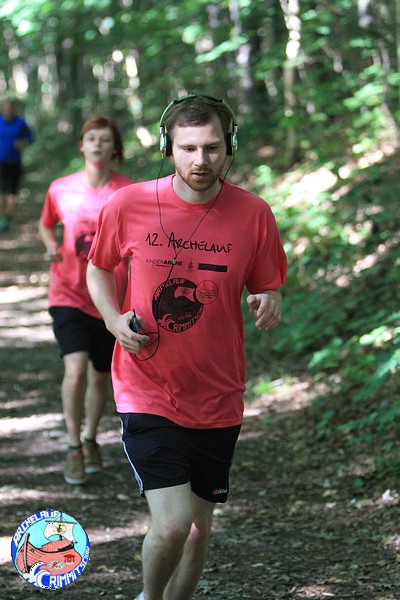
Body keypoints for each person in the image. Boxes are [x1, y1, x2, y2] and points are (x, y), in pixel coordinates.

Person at [86, 94, 287, 600]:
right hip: (147, 386)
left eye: (213, 148)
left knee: (198, 532)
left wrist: (269, 300)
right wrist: (112, 319)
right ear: (167, 147)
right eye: (188, 148)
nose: (201, 161)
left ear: (230, 145)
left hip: (218, 394)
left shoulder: (253, 214)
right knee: (174, 525)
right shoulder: (128, 204)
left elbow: (267, 283)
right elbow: (99, 267)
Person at [39, 115, 134, 485]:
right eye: (91, 138)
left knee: (99, 376)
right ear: (82, 145)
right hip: (67, 293)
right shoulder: (60, 188)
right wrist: (50, 244)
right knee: (75, 370)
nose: (97, 145)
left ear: (115, 148)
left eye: (105, 139)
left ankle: (91, 438)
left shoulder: (129, 193)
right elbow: (46, 223)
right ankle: (72, 446)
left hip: (110, 300)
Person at [0, 98, 34, 232]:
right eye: (6, 108)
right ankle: (2, 215)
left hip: (14, 162)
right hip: (0, 162)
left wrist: (22, 143)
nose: (8, 110)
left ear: (14, 109)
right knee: (2, 191)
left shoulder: (20, 123)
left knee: (11, 192)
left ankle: (7, 219)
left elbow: (31, 138)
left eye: (10, 108)